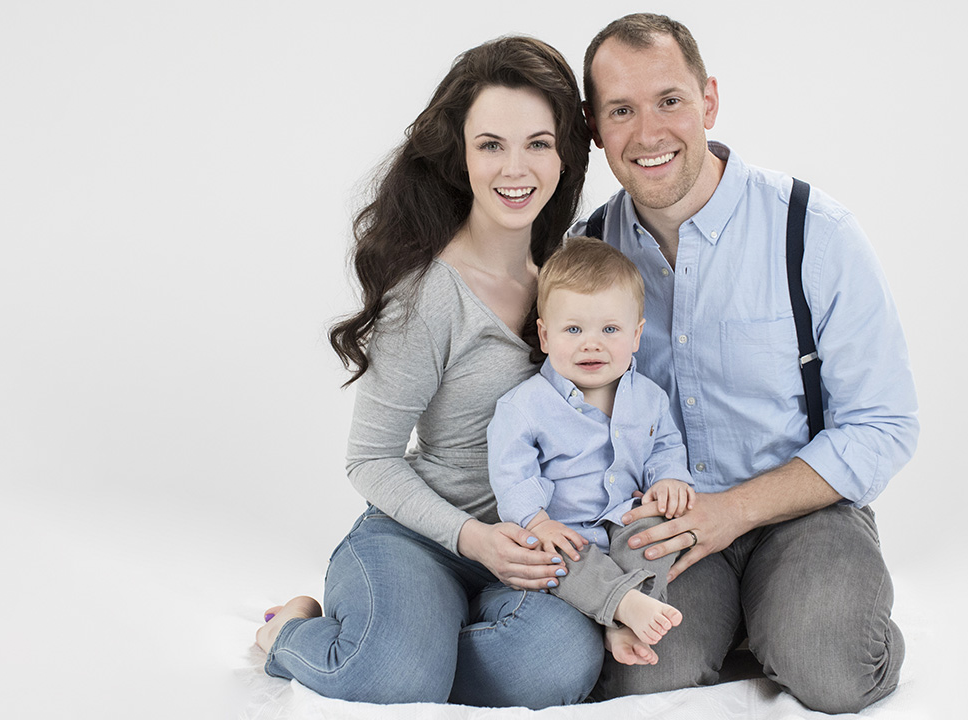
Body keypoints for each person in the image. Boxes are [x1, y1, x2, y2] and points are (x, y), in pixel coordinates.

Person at [574, 13, 920, 714]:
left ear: (709, 100)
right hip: (661, 525)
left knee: (833, 668)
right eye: (621, 111)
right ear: (593, 127)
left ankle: (798, 620)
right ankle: (749, 624)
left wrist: (732, 512)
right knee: (643, 680)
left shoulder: (813, 231)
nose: (648, 133)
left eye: (670, 100)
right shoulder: (585, 253)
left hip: (804, 512)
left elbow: (885, 423)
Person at [253, 36, 603, 708]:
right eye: (490, 144)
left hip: (527, 553)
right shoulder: (431, 292)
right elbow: (370, 460)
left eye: (537, 142)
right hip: (418, 538)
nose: (515, 168)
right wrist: (475, 538)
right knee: (393, 679)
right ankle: (291, 634)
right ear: (461, 156)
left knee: (556, 663)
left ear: (564, 153)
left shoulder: (568, 279)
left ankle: (415, 640)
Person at [486, 237, 694, 667]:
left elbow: (666, 445)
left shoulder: (650, 398)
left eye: (610, 330)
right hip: (564, 530)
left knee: (657, 531)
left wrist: (670, 479)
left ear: (637, 335)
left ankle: (620, 622)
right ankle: (625, 610)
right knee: (553, 557)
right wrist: (537, 521)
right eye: (574, 329)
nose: (591, 344)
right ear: (545, 335)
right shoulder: (525, 406)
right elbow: (512, 474)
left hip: (623, 519)